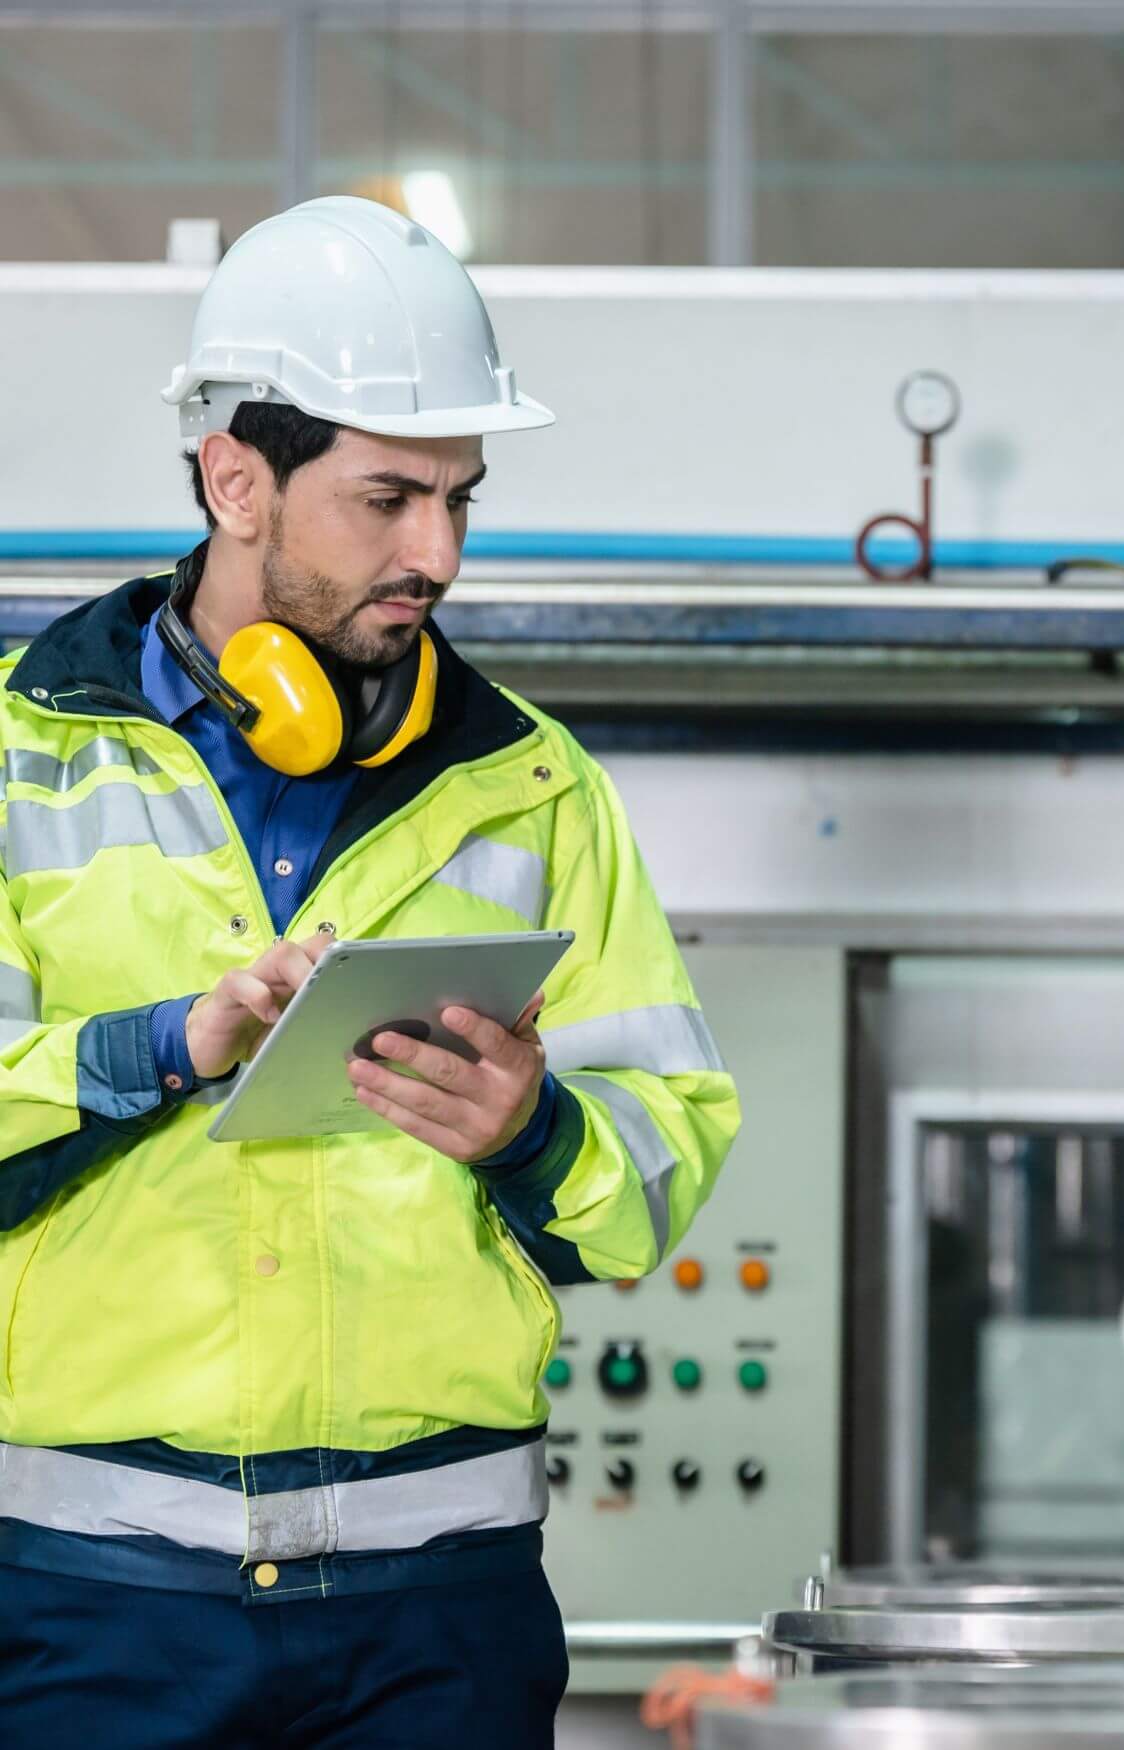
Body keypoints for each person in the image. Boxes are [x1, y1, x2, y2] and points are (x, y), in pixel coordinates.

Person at [0, 196, 739, 1748]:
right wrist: (161, 1042)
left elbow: (663, 1148)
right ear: (234, 481)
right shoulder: (19, 754)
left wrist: (534, 1131)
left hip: (441, 1614)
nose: (440, 553)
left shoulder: (534, 786)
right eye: (390, 497)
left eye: (462, 499)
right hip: (95, 1607)